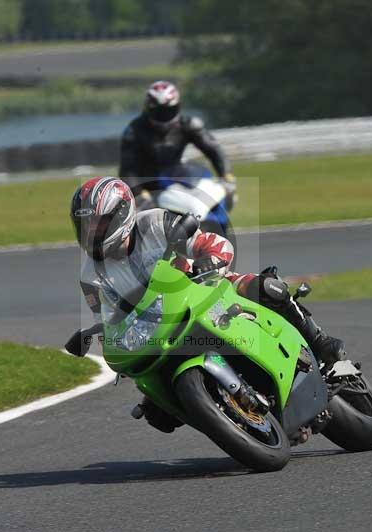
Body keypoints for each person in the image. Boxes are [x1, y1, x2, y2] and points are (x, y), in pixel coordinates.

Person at [71, 176, 345, 432]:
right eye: (86, 227)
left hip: (203, 289)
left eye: (98, 225)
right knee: (159, 415)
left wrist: (209, 260)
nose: (91, 233)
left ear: (121, 215)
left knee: (267, 287)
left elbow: (212, 243)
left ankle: (319, 341)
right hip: (155, 329)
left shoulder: (156, 223)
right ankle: (226, 413)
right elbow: (108, 319)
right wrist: (99, 334)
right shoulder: (90, 275)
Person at [119, 80, 236, 208]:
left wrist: (226, 175)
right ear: (148, 109)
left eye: (169, 111)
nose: (164, 116)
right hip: (150, 187)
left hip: (178, 179)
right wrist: (139, 193)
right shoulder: (134, 131)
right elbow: (128, 169)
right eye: (159, 112)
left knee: (216, 197)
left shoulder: (188, 124)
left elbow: (213, 149)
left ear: (177, 107)